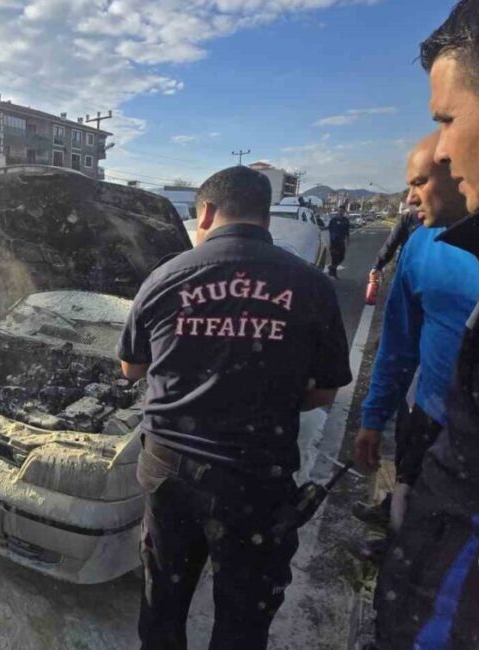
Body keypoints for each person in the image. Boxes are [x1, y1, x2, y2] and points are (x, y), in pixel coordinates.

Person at [119, 166, 351, 650]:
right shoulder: (311, 286)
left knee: (163, 599)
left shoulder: (165, 275)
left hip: (169, 474)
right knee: (244, 617)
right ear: (264, 214)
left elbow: (131, 370)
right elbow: (325, 391)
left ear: (205, 211)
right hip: (256, 479)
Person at [373, 1, 479, 647]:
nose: (442, 151)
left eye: (446, 119)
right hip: (430, 427)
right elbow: (397, 342)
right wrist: (374, 419)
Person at [352, 133, 479, 545]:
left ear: (461, 173)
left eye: (419, 183)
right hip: (427, 414)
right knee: (409, 511)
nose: (409, 198)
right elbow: (397, 344)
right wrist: (374, 417)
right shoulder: (421, 245)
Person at [370, 210, 423, 280]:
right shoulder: (408, 218)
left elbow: (391, 243)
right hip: (408, 269)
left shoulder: (409, 218)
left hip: (408, 270)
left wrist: (377, 266)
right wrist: (377, 266)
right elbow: (391, 243)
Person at [326, 206, 351, 278]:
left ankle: (332, 268)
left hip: (341, 242)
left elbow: (347, 231)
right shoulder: (333, 220)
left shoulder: (345, 220)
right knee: (334, 258)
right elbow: (330, 230)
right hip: (334, 243)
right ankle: (333, 274)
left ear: (344, 212)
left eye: (342, 211)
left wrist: (348, 239)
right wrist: (331, 239)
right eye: (339, 211)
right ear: (338, 211)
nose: (340, 212)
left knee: (342, 257)